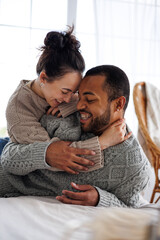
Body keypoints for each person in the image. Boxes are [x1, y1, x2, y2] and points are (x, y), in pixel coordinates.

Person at [0, 65, 151, 208]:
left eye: (90, 100)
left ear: (119, 104)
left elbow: (131, 207)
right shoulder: (62, 118)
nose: (79, 106)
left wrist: (100, 199)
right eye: (79, 97)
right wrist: (46, 153)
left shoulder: (134, 165)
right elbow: (7, 157)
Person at [4, 26, 127, 173]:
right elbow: (58, 158)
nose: (70, 99)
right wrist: (103, 142)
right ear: (43, 78)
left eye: (75, 92)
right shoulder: (18, 110)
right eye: (65, 92)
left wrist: (69, 106)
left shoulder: (61, 94)